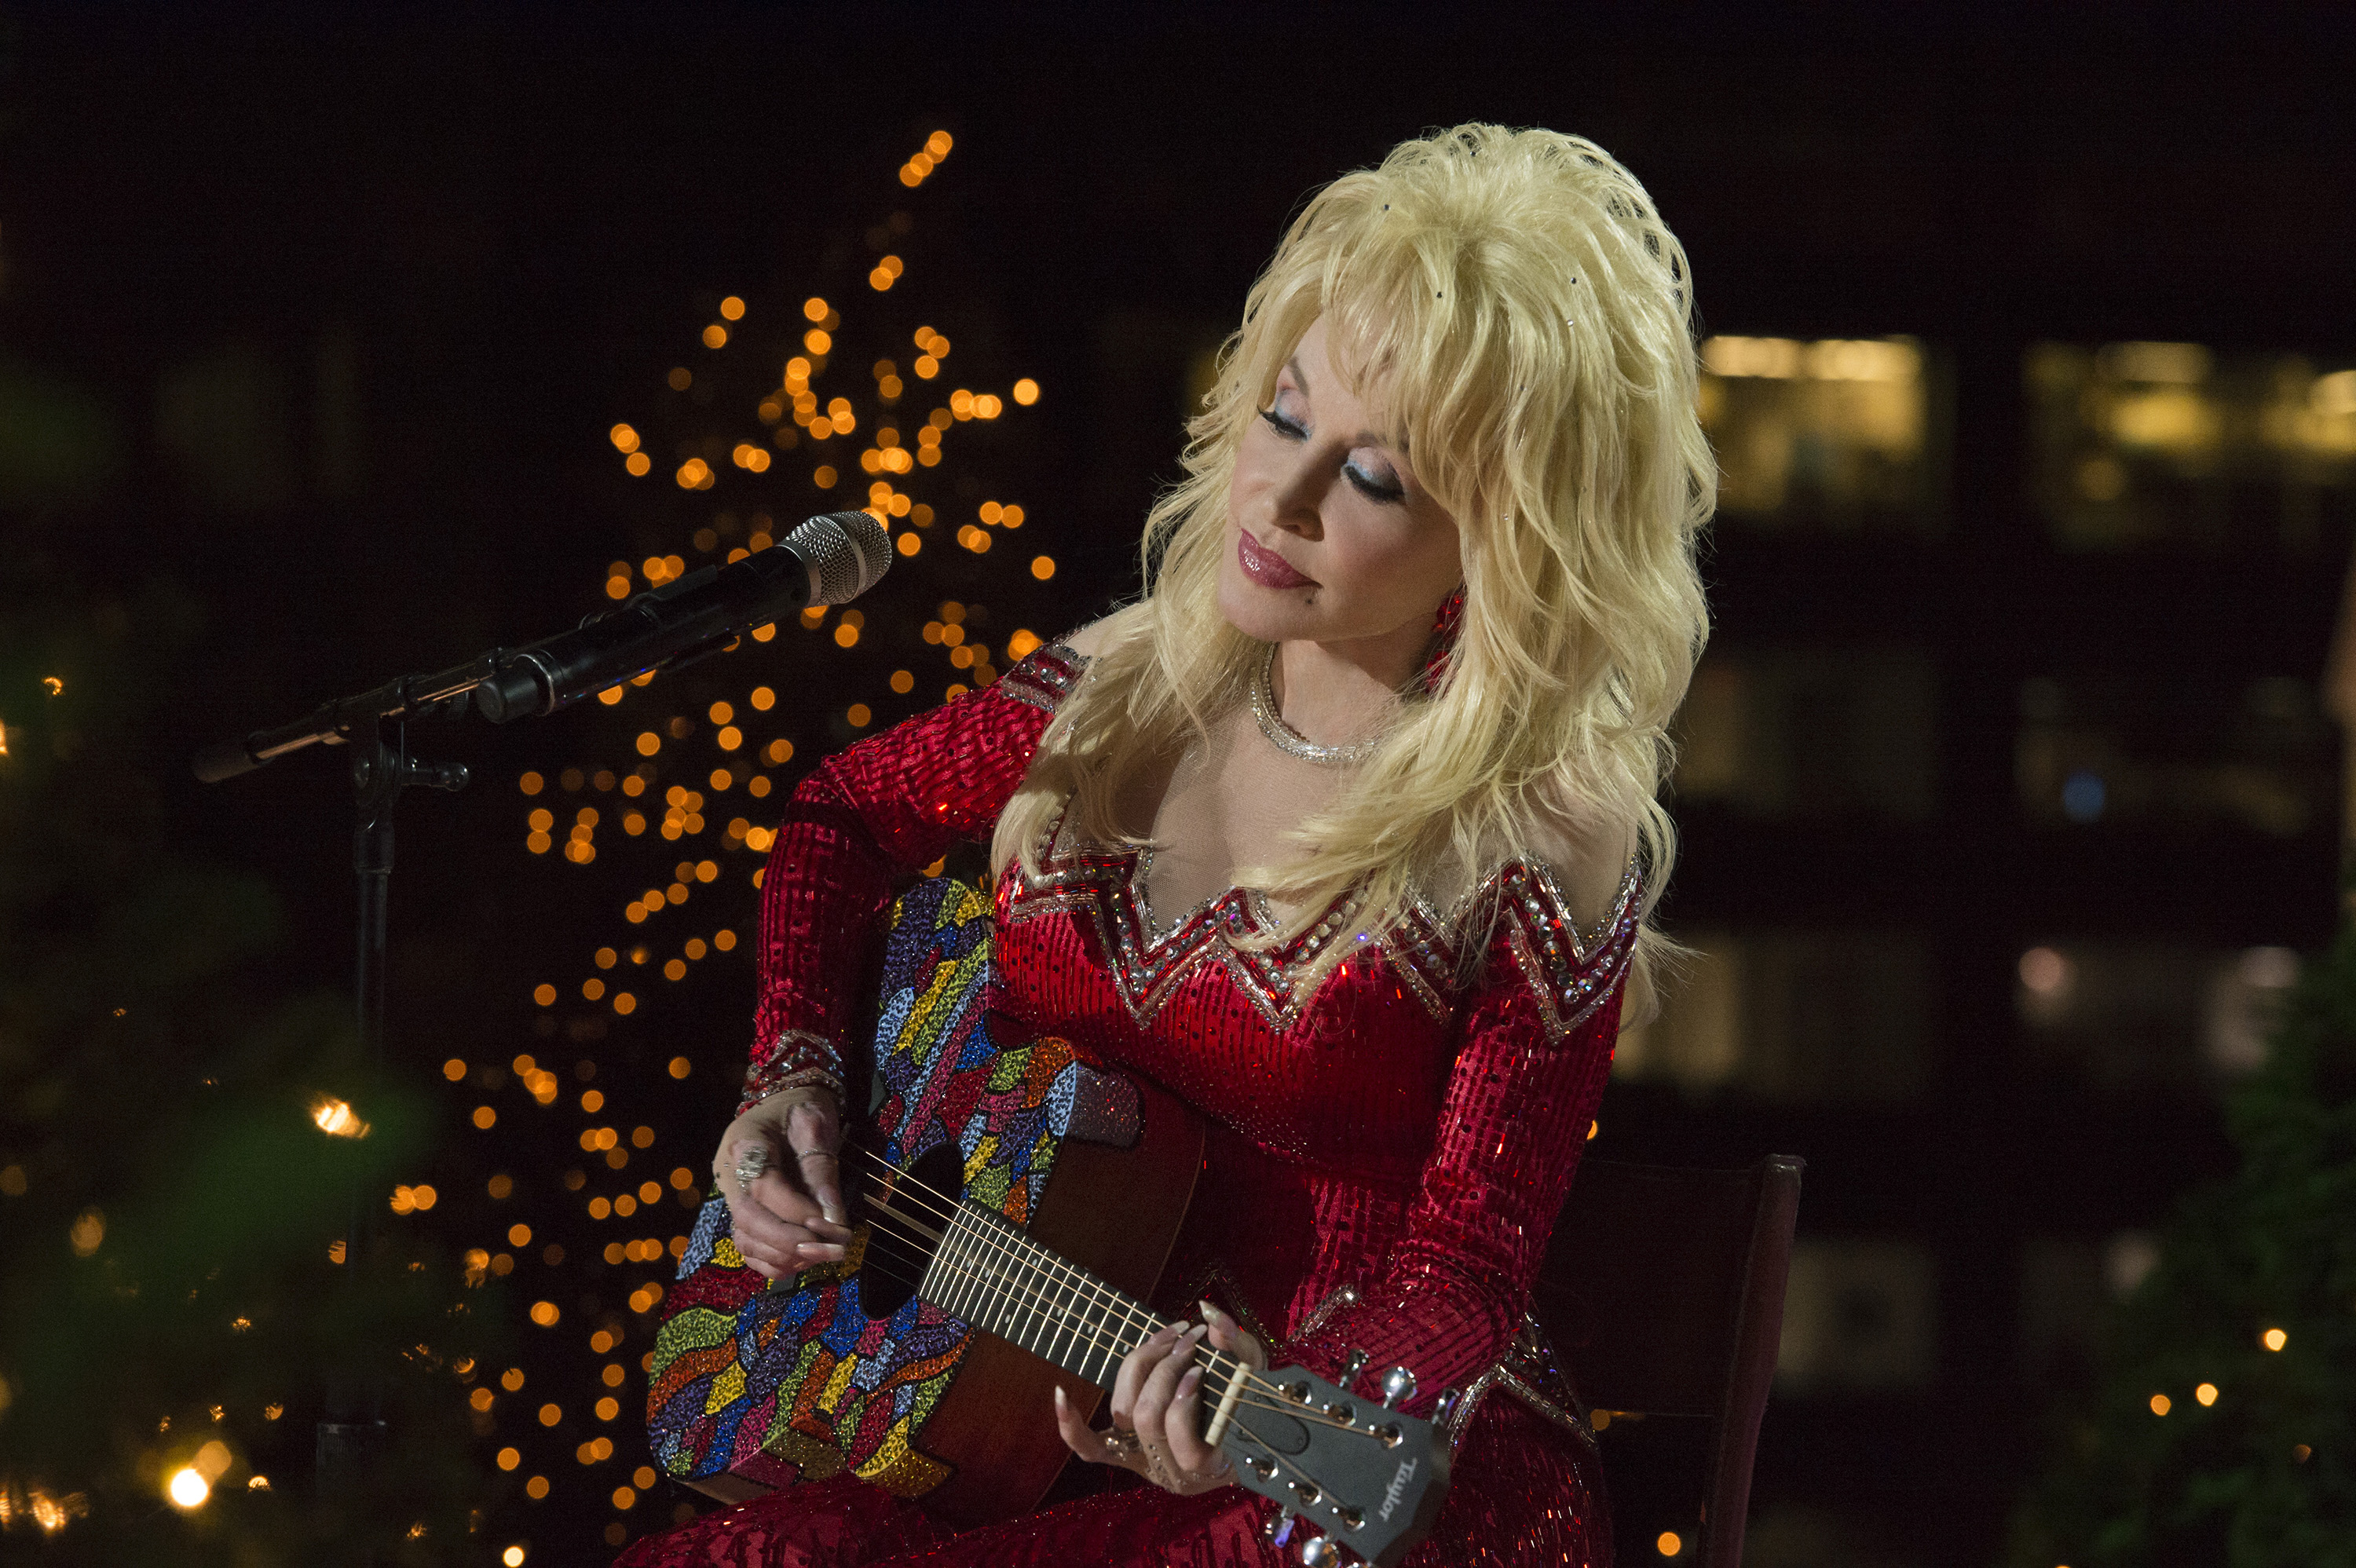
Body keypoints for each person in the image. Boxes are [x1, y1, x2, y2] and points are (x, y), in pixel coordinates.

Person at [619, 122, 1711, 1568]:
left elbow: (1465, 1279)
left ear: (1506, 537)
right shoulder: (1115, 685)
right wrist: (795, 1072)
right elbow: (838, 817)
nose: (1285, 498)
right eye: (1283, 416)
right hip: (1006, 1411)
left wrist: (1280, 1392)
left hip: (1353, 1485)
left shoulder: (1541, 837)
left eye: (1374, 479)